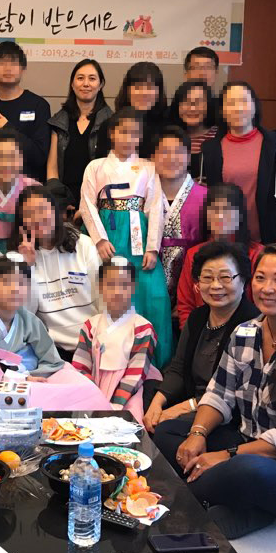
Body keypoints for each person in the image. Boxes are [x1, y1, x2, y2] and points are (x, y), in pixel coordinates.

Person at [153, 244, 276, 539]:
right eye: (261, 278)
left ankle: (188, 504)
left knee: (247, 471)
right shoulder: (244, 333)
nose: (267, 288)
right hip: (249, 442)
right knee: (169, 433)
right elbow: (219, 394)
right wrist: (198, 435)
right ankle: (243, 508)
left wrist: (225, 456)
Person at [80, 107, 174, 368]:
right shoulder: (95, 166)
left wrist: (153, 247)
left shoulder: (148, 167)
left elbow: (154, 206)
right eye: (123, 131)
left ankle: (156, 364)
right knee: (107, 293)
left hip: (139, 236)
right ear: (112, 134)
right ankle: (105, 359)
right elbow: (87, 204)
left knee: (152, 296)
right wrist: (98, 239)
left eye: (135, 133)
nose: (128, 137)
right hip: (108, 233)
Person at [144, 242, 257, 433]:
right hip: (191, 397)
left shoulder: (250, 324)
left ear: (244, 280)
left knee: (166, 429)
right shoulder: (197, 318)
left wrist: (181, 408)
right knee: (147, 395)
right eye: (207, 278)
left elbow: (233, 392)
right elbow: (178, 368)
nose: (215, 286)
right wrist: (157, 404)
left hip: (222, 411)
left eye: (225, 277)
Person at [198, 81, 276, 244]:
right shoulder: (210, 150)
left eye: (243, 101)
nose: (238, 108)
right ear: (223, 111)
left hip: (269, 240)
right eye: (231, 103)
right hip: (224, 241)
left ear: (254, 106)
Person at [7, 185, 101, 361]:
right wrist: (28, 267)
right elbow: (24, 314)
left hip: (94, 343)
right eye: (29, 214)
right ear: (21, 222)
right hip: (52, 350)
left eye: (43, 209)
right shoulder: (15, 258)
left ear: (55, 211)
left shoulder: (84, 245)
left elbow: (104, 297)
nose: (37, 218)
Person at [0, 256, 65, 393]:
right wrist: (17, 375)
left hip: (26, 386)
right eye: (7, 282)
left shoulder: (30, 321)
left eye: (21, 283)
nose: (15, 289)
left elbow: (53, 362)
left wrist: (9, 371)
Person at [72, 257, 157, 420]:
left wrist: (116, 405)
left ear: (133, 287)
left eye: (124, 285)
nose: (117, 292)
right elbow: (81, 367)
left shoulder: (143, 328)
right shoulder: (91, 326)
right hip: (93, 390)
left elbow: (136, 373)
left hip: (129, 393)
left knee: (127, 424)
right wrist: (96, 399)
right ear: (100, 287)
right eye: (110, 285)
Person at [177, 183, 264, 326]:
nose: (220, 216)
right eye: (214, 209)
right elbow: (185, 306)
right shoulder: (194, 254)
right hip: (202, 336)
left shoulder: (257, 254)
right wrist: (192, 337)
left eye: (228, 209)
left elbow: (262, 306)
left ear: (241, 215)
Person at [0, 41, 51, 182]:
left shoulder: (38, 105)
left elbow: (39, 156)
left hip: (29, 191)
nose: (8, 68)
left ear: (23, 68)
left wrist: (7, 129)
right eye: (2, 63)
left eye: (13, 63)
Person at [47, 59, 112, 211]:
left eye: (92, 78)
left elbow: (112, 172)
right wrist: (61, 204)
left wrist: (90, 207)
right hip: (64, 203)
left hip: (99, 203)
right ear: (72, 83)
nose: (86, 84)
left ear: (101, 84)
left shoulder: (110, 122)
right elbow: (52, 170)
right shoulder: (59, 121)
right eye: (80, 78)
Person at [152, 126, 207, 299]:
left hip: (193, 291)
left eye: (178, 152)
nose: (171, 158)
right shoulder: (141, 197)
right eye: (164, 152)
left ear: (189, 157)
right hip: (148, 287)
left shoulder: (206, 197)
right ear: (152, 157)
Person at [109, 61, 168, 159]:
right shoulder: (111, 124)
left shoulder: (168, 128)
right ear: (127, 90)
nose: (144, 93)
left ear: (159, 92)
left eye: (150, 87)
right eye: (137, 87)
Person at [167, 79, 220, 171]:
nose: (192, 108)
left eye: (198, 102)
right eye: (186, 102)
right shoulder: (168, 137)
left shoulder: (221, 136)